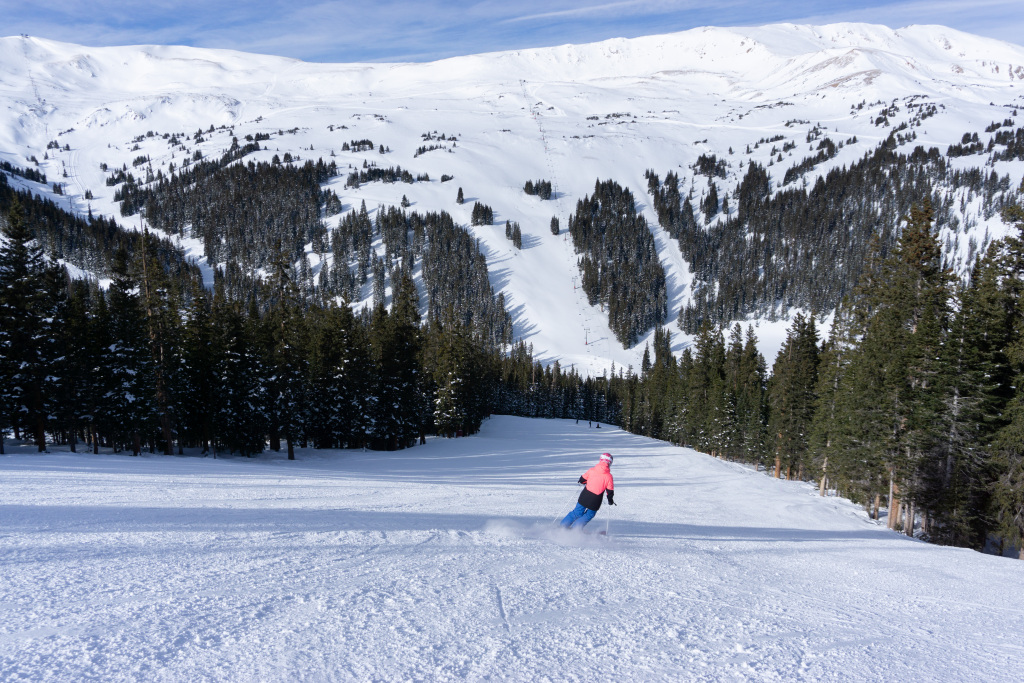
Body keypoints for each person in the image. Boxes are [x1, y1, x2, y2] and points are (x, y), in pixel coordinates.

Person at [560, 453, 615, 529]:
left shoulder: (592, 470)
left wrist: (582, 482)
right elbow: (609, 491)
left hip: (585, 495)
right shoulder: (608, 476)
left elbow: (582, 479)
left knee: (577, 512)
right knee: (589, 514)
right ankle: (575, 529)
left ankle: (562, 526)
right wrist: (610, 500)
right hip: (595, 500)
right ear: (609, 463)